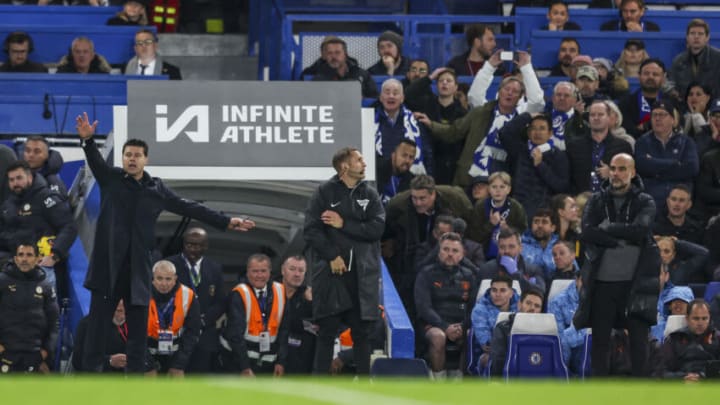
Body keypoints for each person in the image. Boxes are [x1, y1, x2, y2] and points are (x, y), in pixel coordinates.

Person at [75, 112, 255, 373]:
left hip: (138, 274)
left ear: (146, 160)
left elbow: (190, 207)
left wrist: (226, 221)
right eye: (128, 155)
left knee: (138, 339)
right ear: (123, 159)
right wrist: (88, 141)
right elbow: (94, 161)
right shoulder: (111, 179)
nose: (132, 159)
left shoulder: (157, 190)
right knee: (96, 332)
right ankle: (90, 388)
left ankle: (135, 392)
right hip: (107, 272)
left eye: (137, 155)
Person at [573, 153, 659, 377]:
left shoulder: (645, 201)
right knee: (600, 343)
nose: (616, 174)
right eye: (613, 169)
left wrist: (608, 228)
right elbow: (588, 232)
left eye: (622, 169)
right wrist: (620, 237)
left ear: (633, 172)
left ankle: (639, 395)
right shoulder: (596, 200)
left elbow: (641, 230)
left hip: (636, 285)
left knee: (639, 344)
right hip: (602, 284)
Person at [303, 147, 385, 375]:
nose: (364, 163)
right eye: (359, 159)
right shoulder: (324, 193)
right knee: (326, 333)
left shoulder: (370, 194)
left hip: (362, 275)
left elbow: (377, 228)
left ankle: (363, 388)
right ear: (345, 167)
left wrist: (343, 224)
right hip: (332, 275)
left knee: (362, 334)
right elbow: (311, 230)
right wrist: (331, 256)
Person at [415, 53, 543, 189]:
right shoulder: (481, 112)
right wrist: (489, 66)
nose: (510, 93)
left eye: (515, 91)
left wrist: (526, 67)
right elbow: (453, 131)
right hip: (469, 179)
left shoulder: (522, 119)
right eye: (506, 89)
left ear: (520, 97)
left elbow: (537, 102)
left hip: (502, 183)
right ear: (499, 91)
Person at [384, 175, 472, 316]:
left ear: (433, 194)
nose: (418, 203)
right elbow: (386, 230)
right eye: (414, 198)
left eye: (422, 198)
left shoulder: (455, 200)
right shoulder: (397, 206)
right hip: (411, 252)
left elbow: (469, 221)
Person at [0, 160, 77, 290]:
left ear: (29, 177)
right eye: (11, 180)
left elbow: (69, 226)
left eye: (19, 178)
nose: (15, 183)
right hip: (13, 265)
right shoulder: (7, 205)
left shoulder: (46, 198)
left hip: (42, 265)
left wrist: (54, 255)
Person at [414, 232, 478, 379]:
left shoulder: (469, 275)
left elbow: (474, 308)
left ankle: (459, 383)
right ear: (438, 252)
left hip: (460, 324)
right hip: (432, 324)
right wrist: (445, 327)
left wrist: (463, 326)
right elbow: (423, 308)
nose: (450, 254)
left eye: (455, 251)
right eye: (446, 249)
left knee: (471, 334)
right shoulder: (426, 274)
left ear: (462, 254)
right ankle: (439, 383)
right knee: (438, 337)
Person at [165, 227, 225, 373]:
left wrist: (202, 321)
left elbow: (220, 302)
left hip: (204, 339)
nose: (192, 249)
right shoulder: (169, 265)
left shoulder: (215, 268)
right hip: (176, 336)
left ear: (205, 246)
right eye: (188, 244)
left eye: (197, 245)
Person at [0, 241, 58, 374]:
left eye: (29, 255)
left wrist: (46, 351)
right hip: (5, 352)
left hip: (35, 355)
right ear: (15, 258)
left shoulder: (46, 286)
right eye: (20, 255)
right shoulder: (2, 282)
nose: (24, 259)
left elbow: (54, 322)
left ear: (38, 259)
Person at [498, 113, 569, 220]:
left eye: (542, 129)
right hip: (517, 208)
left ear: (550, 133)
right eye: (533, 129)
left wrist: (540, 165)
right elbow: (505, 133)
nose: (537, 133)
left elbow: (561, 186)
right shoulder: (521, 150)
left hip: (543, 212)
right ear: (528, 133)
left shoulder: (558, 155)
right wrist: (527, 116)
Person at [404, 68, 468, 184]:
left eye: (449, 81)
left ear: (456, 87)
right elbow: (408, 94)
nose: (444, 83)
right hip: (429, 162)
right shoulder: (426, 105)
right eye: (441, 81)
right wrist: (429, 78)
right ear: (436, 85)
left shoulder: (463, 113)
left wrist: (430, 124)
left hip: (453, 165)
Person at [634, 100, 699, 211]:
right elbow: (641, 166)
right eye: (654, 115)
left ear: (673, 120)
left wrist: (654, 165)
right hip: (651, 202)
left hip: (680, 203)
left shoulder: (686, 142)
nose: (658, 118)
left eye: (663, 115)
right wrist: (674, 163)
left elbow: (691, 169)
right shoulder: (642, 142)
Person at [146, 260, 200, 377]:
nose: (164, 284)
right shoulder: (141, 294)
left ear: (175, 278)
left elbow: (192, 333)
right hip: (146, 355)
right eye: (159, 278)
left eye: (168, 279)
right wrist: (147, 365)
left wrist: (178, 365)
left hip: (177, 355)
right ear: (152, 278)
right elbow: (134, 333)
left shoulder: (188, 295)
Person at [567, 100, 633, 193]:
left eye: (600, 114)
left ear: (609, 118)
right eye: (592, 115)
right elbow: (568, 178)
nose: (596, 118)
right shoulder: (574, 146)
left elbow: (630, 177)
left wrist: (611, 174)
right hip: (581, 199)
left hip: (612, 198)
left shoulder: (623, 147)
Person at [373, 78, 433, 176]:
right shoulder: (370, 120)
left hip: (409, 178)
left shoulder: (415, 121)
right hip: (379, 176)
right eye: (387, 93)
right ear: (380, 98)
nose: (391, 96)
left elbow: (427, 152)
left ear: (402, 98)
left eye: (395, 93)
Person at [467, 171, 527, 257]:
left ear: (509, 189)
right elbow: (474, 236)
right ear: (489, 189)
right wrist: (490, 224)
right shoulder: (480, 206)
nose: (498, 190)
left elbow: (523, 232)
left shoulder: (516, 207)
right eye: (494, 187)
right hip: (482, 255)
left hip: (508, 254)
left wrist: (508, 230)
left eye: (502, 187)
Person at [470, 274, 519, 374]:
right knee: (494, 360)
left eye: (502, 290)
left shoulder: (521, 306)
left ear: (511, 293)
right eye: (494, 290)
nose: (497, 294)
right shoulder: (479, 310)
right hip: (487, 354)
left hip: (516, 351)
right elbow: (486, 345)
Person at [489, 288, 544, 376]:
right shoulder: (503, 328)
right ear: (519, 304)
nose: (532, 308)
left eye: (537, 306)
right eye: (528, 303)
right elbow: (498, 359)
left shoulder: (546, 331)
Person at [661, 299, 720, 381]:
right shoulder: (674, 339)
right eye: (696, 319)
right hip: (681, 387)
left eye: (704, 318)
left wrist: (703, 377)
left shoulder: (717, 338)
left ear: (709, 319)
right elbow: (661, 372)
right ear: (687, 318)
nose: (700, 323)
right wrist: (683, 377)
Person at [479, 227, 546, 293]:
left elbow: (540, 292)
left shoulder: (532, 270)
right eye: (502, 247)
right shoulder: (486, 269)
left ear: (520, 248)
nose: (506, 251)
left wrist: (516, 274)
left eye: (511, 246)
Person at [280, 255, 315, 375]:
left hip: (300, 361)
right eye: (292, 269)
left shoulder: (309, 296)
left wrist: (310, 303)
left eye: (301, 270)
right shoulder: (271, 292)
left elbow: (313, 328)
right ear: (283, 270)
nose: (297, 274)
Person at [669, 19, 720, 101]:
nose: (696, 37)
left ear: (707, 38)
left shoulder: (718, 58)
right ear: (687, 37)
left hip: (714, 107)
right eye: (692, 33)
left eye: (700, 34)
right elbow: (673, 85)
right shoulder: (678, 60)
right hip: (686, 107)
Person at [616, 58, 667, 139]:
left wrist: (645, 126)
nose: (650, 77)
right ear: (639, 76)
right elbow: (628, 132)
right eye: (646, 74)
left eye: (655, 74)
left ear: (663, 78)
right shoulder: (625, 103)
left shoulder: (672, 102)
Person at [312, 37, 378, 99]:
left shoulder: (361, 74)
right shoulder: (319, 79)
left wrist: (363, 98)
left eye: (337, 52)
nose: (333, 57)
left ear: (345, 54)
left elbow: (374, 98)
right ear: (325, 56)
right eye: (330, 53)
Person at [72, 300, 128, 373]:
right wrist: (109, 361)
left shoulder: (131, 322)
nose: (122, 316)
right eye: (118, 311)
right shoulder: (87, 324)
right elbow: (78, 361)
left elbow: (145, 356)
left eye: (125, 311)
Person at [548, 271, 587, 374]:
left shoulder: (601, 300)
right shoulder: (558, 302)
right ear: (577, 280)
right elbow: (559, 338)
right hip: (573, 353)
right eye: (585, 280)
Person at [521, 208, 561, 279]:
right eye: (536, 222)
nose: (539, 225)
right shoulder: (520, 247)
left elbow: (573, 272)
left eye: (544, 222)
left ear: (553, 228)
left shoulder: (561, 248)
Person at [544, 81, 586, 148]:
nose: (562, 98)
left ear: (574, 100)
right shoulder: (543, 118)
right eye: (558, 95)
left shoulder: (582, 120)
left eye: (566, 95)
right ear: (553, 98)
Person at [376, 139, 416, 205]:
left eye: (411, 157)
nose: (407, 161)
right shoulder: (377, 168)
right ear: (393, 155)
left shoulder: (412, 182)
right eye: (404, 155)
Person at [681, 82, 715, 159]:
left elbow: (706, 143)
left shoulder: (715, 117)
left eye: (698, 94)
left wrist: (696, 115)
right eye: (690, 94)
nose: (694, 97)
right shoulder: (681, 117)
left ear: (707, 98)